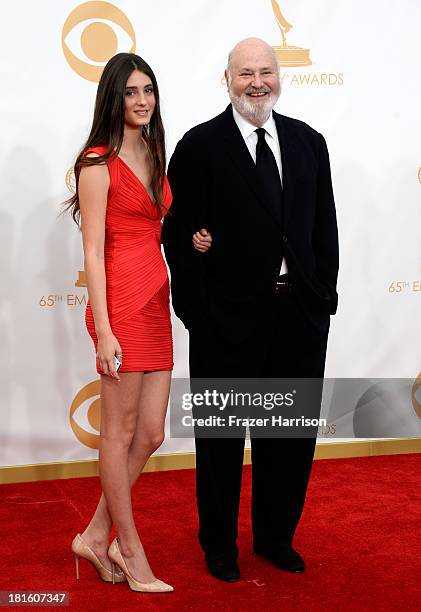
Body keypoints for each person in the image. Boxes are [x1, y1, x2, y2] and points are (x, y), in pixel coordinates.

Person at [162, 38, 339, 581]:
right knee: (220, 444)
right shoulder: (199, 145)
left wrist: (321, 300)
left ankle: (274, 538)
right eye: (246, 73)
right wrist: (198, 313)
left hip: (297, 320)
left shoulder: (309, 143)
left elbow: (323, 229)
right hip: (226, 323)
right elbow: (176, 234)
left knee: (288, 441)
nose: (256, 82)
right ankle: (218, 545)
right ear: (228, 79)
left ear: (279, 77)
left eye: (265, 72)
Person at [65, 52, 211, 594]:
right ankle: (129, 549)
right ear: (112, 97)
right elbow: (94, 253)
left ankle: (93, 535)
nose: (142, 100)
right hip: (121, 305)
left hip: (155, 299)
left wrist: (195, 238)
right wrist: (103, 328)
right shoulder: (96, 163)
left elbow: (158, 224)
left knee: (150, 432)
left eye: (148, 89)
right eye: (130, 91)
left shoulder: (153, 151)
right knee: (119, 431)